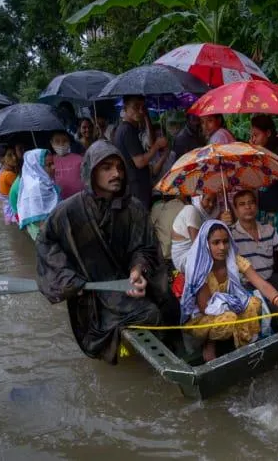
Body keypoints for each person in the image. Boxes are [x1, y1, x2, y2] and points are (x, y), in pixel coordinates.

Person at [36, 141, 175, 364]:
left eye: (119, 167)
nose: (116, 173)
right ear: (91, 171)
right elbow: (45, 243)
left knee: (163, 309)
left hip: (125, 287)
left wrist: (137, 270)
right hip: (88, 293)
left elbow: (146, 247)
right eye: (107, 167)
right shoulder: (68, 211)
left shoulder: (134, 208)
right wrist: (68, 279)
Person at [180, 220, 278, 362]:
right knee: (229, 319)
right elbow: (206, 308)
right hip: (201, 317)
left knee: (254, 304)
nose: (222, 247)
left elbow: (262, 284)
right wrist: (234, 305)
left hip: (228, 306)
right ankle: (210, 344)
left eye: (225, 241)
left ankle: (245, 343)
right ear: (206, 243)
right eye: (216, 242)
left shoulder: (233, 259)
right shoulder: (199, 267)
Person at [113, 95, 170, 209]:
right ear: (125, 108)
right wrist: (157, 145)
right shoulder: (127, 130)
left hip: (137, 185)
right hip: (136, 187)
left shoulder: (128, 129)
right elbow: (140, 162)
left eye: (143, 107)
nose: (140, 111)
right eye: (136, 107)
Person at [230, 190, 278, 293]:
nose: (248, 207)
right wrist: (223, 225)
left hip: (270, 281)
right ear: (235, 210)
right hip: (247, 286)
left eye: (251, 203)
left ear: (256, 207)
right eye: (242, 204)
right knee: (270, 306)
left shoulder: (268, 229)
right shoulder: (230, 234)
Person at [249, 115, 278, 240]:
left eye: (256, 135)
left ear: (268, 133)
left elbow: (274, 174)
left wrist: (259, 152)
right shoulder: (261, 152)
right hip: (265, 208)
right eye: (252, 136)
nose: (253, 139)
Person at [9, 149, 59, 240]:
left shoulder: (46, 182)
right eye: (49, 165)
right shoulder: (36, 189)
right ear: (37, 167)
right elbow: (39, 220)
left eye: (53, 163)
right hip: (44, 233)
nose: (54, 167)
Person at [170, 193, 222, 273]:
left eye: (214, 201)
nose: (211, 204)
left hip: (196, 256)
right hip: (186, 259)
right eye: (208, 200)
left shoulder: (207, 217)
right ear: (199, 198)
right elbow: (198, 245)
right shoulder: (191, 210)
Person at [149, 192, 186, 269]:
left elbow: (149, 228)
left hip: (163, 255)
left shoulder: (158, 207)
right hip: (182, 256)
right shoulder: (187, 208)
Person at [50, 131, 84, 200]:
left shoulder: (79, 159)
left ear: (69, 142)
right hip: (58, 202)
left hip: (79, 200)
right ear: (51, 143)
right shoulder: (49, 161)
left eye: (65, 141)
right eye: (57, 141)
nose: (61, 144)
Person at [0, 143, 18, 225]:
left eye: (14, 154)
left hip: (7, 213)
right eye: (9, 155)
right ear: (1, 159)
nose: (14, 158)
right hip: (14, 213)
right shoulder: (8, 175)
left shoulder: (0, 173)